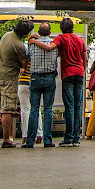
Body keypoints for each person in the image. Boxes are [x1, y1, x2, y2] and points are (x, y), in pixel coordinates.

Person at [29, 17, 87, 147]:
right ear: (72, 27)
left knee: (69, 107)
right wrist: (83, 70)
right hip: (80, 73)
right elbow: (85, 59)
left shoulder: (61, 38)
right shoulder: (80, 40)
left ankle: (68, 137)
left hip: (68, 74)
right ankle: (76, 138)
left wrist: (34, 41)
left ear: (61, 28)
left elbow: (49, 48)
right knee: (78, 106)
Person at [0, 19, 34, 148]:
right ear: (26, 33)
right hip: (9, 78)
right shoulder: (19, 45)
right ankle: (6, 140)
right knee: (7, 109)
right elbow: (23, 63)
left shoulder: (6, 35)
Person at [22, 23, 58, 148]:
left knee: (34, 109)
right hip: (49, 77)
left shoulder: (31, 46)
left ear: (39, 31)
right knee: (48, 109)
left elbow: (26, 59)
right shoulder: (54, 44)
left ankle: (30, 140)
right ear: (49, 32)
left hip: (35, 77)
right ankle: (47, 140)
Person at [18, 52, 43, 145]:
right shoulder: (37, 56)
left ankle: (25, 135)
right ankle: (39, 134)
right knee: (37, 108)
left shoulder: (23, 55)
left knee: (25, 109)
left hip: (23, 83)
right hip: (34, 82)